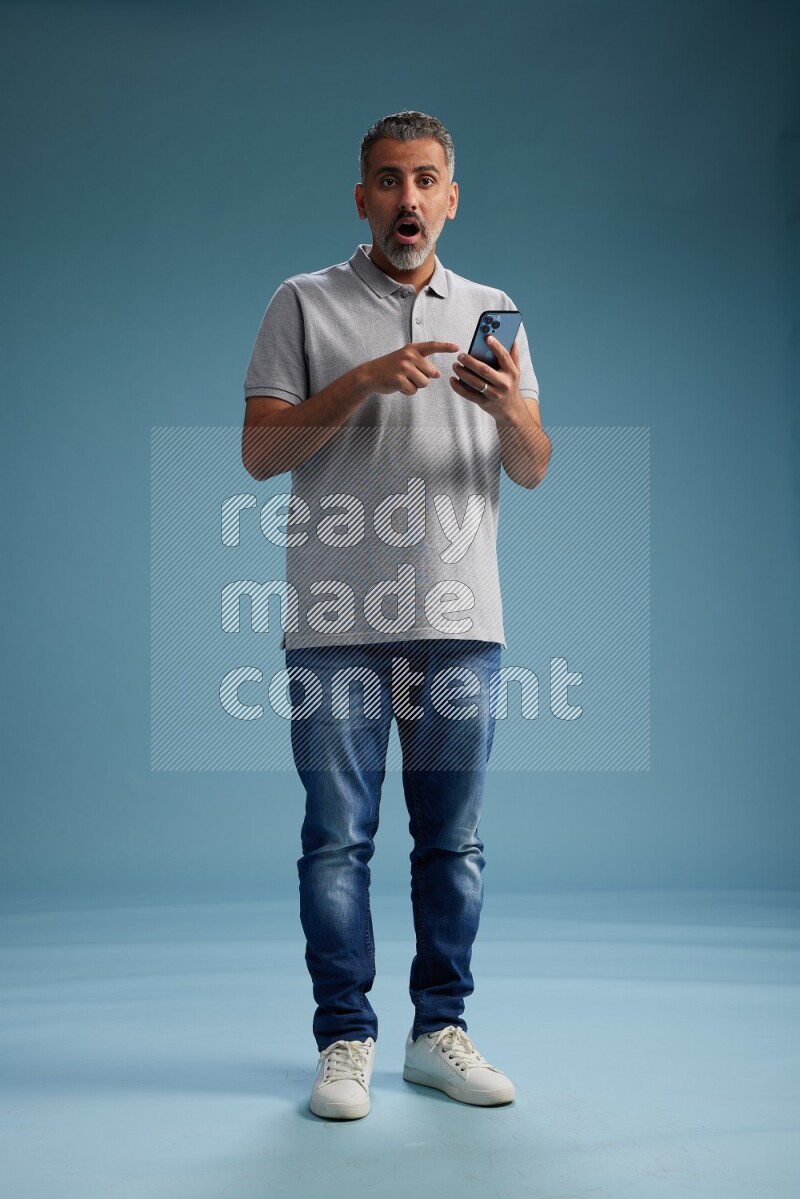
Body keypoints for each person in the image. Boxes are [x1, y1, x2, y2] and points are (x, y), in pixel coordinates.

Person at [241, 111, 551, 1120]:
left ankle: (436, 1032)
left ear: (449, 197)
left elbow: (533, 465)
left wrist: (507, 407)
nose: (406, 199)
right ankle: (344, 1040)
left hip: (460, 616)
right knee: (337, 839)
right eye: (386, 180)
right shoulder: (304, 301)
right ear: (361, 197)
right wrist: (365, 378)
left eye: (424, 181)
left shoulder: (493, 309)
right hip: (335, 616)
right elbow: (260, 451)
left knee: (450, 841)